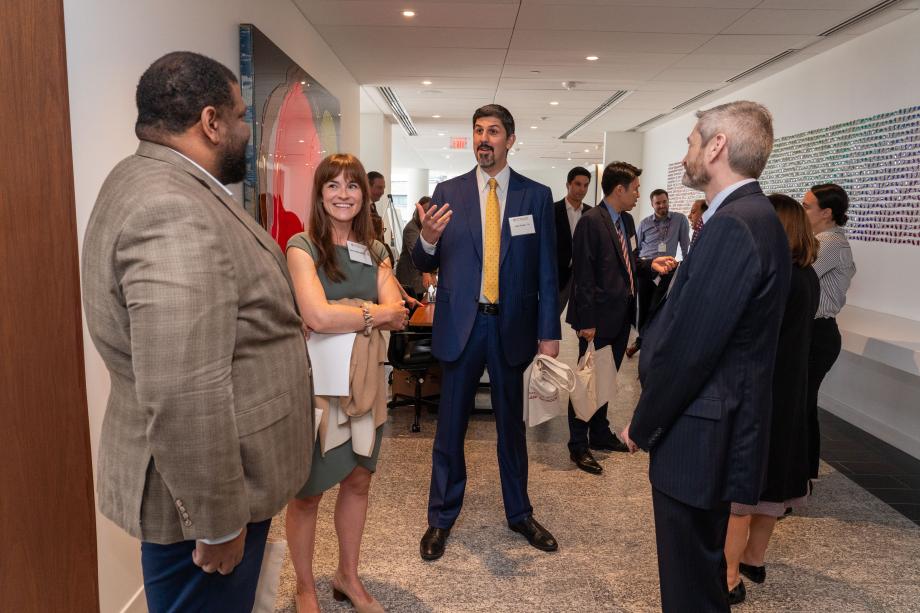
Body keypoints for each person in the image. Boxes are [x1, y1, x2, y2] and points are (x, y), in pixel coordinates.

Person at [81, 51, 313, 613]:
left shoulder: (148, 178)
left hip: (210, 482)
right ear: (210, 122)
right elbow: (184, 388)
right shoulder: (172, 208)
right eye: (237, 116)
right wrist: (216, 521)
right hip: (202, 503)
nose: (244, 130)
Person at [622, 100, 791, 613]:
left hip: (701, 437)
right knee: (699, 574)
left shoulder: (736, 225)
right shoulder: (750, 218)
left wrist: (643, 422)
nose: (688, 151)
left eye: (693, 140)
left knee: (690, 585)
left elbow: (690, 350)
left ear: (718, 146)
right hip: (714, 430)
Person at [412, 104, 561, 560]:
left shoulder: (536, 196)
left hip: (511, 325)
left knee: (511, 430)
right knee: (450, 428)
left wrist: (549, 329)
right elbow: (424, 263)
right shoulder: (448, 192)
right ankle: (441, 518)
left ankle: (519, 513)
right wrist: (428, 240)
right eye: (478, 130)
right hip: (462, 325)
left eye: (493, 131)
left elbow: (547, 271)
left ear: (510, 140)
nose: (484, 138)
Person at [285, 154, 409, 613]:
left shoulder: (376, 250)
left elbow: (398, 314)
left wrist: (351, 315)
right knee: (308, 491)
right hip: (317, 386)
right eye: (333, 185)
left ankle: (347, 577)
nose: (343, 194)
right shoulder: (302, 247)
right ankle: (303, 586)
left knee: (358, 481)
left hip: (366, 386)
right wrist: (369, 312)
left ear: (363, 193)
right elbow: (315, 315)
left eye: (352, 185)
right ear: (319, 193)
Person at [723, 193, 820, 605]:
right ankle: (753, 559)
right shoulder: (808, 276)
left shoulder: (777, 280)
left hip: (761, 394)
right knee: (773, 489)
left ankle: (727, 576)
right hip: (791, 394)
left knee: (743, 493)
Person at [566, 162, 675, 474]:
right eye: (636, 189)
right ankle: (578, 444)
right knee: (588, 382)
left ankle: (599, 433)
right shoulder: (591, 222)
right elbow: (583, 276)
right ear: (619, 190)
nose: (639, 194)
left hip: (620, 316)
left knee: (607, 379)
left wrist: (650, 264)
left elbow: (629, 259)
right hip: (596, 319)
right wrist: (586, 322)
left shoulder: (625, 220)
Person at [802, 183, 856, 480]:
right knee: (803, 406)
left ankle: (799, 479)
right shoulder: (820, 239)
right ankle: (803, 476)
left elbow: (797, 279)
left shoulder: (829, 242)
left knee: (800, 407)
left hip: (817, 334)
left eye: (807, 206)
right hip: (813, 333)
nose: (802, 210)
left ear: (826, 212)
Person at [627, 189, 690, 357]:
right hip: (646, 270)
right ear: (652, 204)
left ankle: (647, 344)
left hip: (667, 271)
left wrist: (687, 270)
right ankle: (641, 339)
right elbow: (637, 249)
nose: (662, 205)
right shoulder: (645, 223)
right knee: (644, 307)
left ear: (668, 200)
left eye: (664, 201)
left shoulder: (680, 220)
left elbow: (685, 247)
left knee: (659, 308)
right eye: (658, 203)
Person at [554, 166, 592, 313]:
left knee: (584, 319)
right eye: (577, 184)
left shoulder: (592, 213)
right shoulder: (552, 210)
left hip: (584, 276)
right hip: (559, 275)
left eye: (586, 185)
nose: (582, 189)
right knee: (551, 316)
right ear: (568, 184)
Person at [396, 196, 437, 299]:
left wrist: (432, 273)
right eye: (425, 211)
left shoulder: (427, 227)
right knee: (415, 311)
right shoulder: (411, 228)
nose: (428, 214)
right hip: (410, 279)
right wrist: (427, 272)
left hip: (419, 278)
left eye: (430, 211)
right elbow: (415, 252)